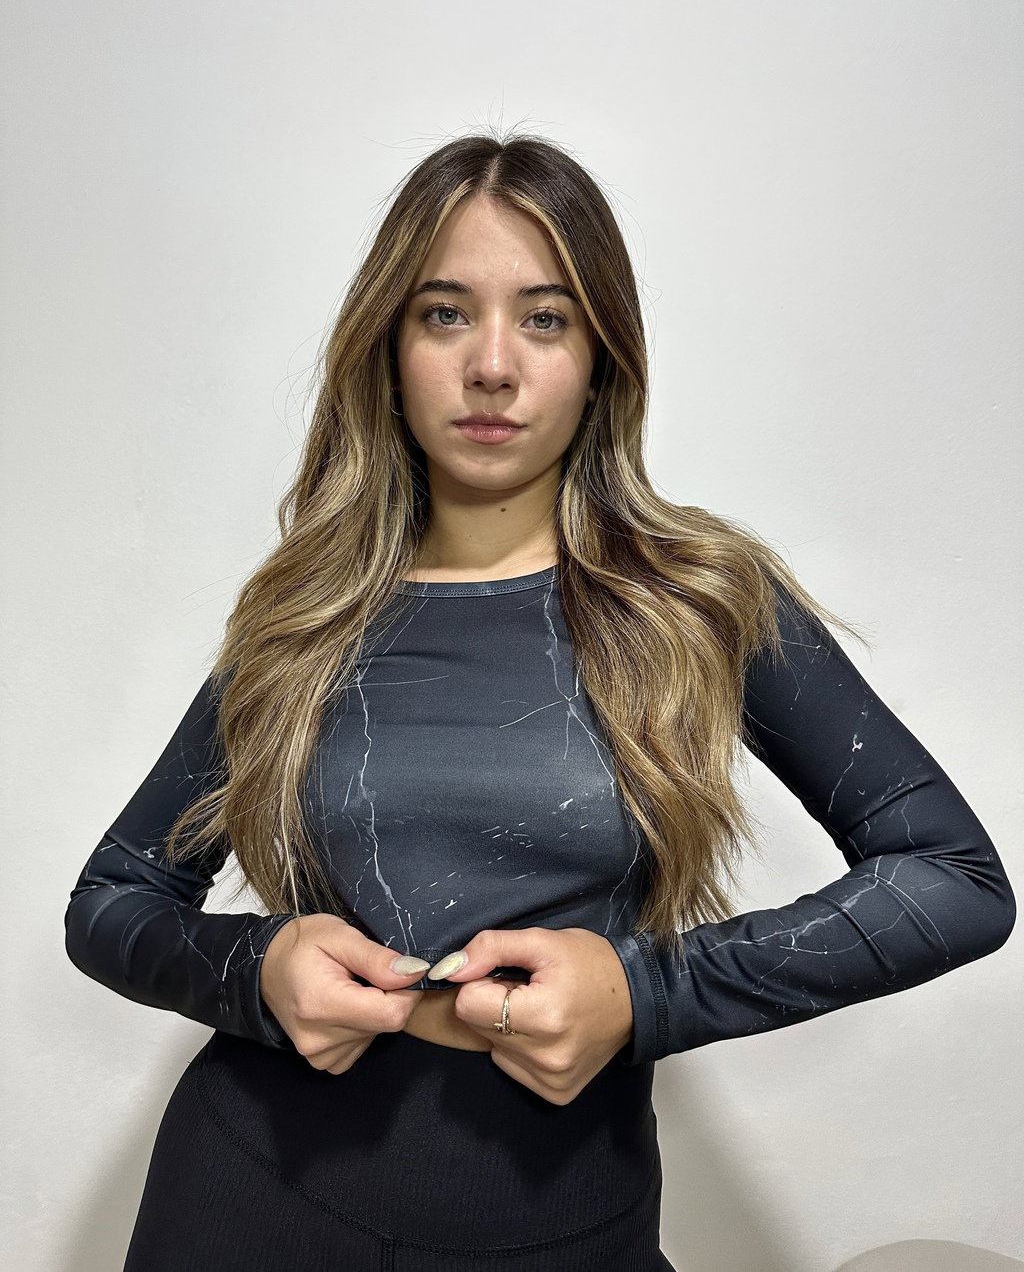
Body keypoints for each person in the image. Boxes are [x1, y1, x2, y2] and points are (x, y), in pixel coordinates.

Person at [64, 132, 1016, 1272]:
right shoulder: (300, 616)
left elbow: (952, 878)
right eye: (445, 314)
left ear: (602, 355)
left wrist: (648, 993)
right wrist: (254, 970)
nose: (492, 365)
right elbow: (111, 899)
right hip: (249, 1205)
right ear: (389, 348)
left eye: (546, 318)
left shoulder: (701, 600)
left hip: (565, 1224)